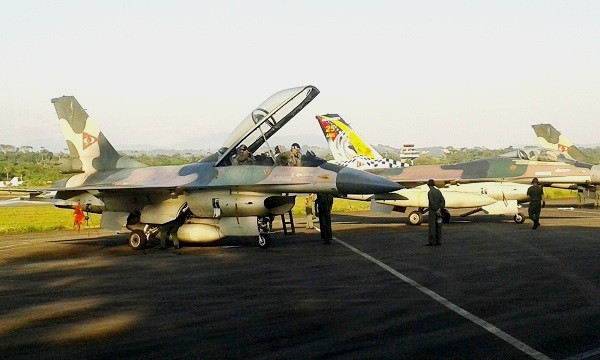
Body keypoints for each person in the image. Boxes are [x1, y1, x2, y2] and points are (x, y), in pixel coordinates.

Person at [426, 179, 445, 246]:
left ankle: (432, 242)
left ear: (428, 185)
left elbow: (432, 202)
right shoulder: (438, 191)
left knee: (432, 227)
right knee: (439, 226)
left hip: (433, 212)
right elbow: (443, 201)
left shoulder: (430, 192)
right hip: (439, 212)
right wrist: (439, 209)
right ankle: (438, 241)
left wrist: (436, 210)